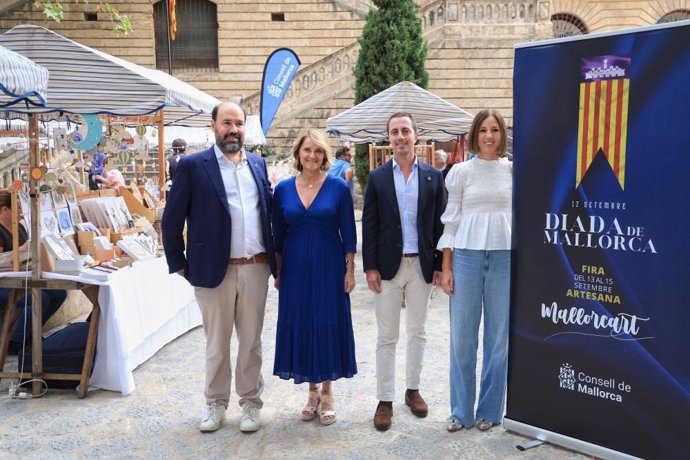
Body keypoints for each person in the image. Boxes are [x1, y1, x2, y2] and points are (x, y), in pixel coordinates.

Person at [161, 102, 277, 433]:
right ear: (213, 125)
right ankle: (215, 403)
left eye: (239, 124)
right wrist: (179, 263)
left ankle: (251, 404)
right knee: (217, 343)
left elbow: (267, 213)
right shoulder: (194, 166)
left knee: (252, 341)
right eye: (227, 123)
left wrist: (277, 262)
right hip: (214, 270)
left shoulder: (257, 164)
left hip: (256, 266)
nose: (233, 130)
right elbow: (172, 219)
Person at [362, 112, 447, 431]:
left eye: (405, 131)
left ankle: (413, 390)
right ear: (389, 138)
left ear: (416, 135)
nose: (400, 136)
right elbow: (369, 224)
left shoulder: (433, 176)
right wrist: (369, 265)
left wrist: (439, 264)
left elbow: (441, 224)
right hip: (387, 267)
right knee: (387, 337)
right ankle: (384, 399)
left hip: (421, 265)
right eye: (394, 132)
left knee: (418, 331)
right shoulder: (378, 177)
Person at [272, 129, 357, 426]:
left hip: (329, 265)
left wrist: (350, 269)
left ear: (324, 155)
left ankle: (328, 393)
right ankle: (311, 392)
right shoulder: (282, 189)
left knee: (327, 322)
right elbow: (277, 236)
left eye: (318, 151)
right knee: (304, 323)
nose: (312, 156)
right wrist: (278, 271)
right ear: (298, 153)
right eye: (307, 150)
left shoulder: (337, 188)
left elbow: (349, 233)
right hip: (294, 267)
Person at [438, 109, 512, 433]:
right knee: (462, 339)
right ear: (474, 134)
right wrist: (447, 266)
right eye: (483, 130)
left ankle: (491, 410)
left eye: (495, 130)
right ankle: (460, 412)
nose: (489, 136)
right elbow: (451, 221)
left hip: (504, 258)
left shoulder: (513, 171)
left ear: (502, 135)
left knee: (499, 339)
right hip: (466, 258)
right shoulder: (460, 172)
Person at [0, 190, 67, 355]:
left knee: (59, 293)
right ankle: (16, 341)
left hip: (23, 277)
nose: (21, 212)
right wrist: (20, 249)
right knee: (40, 296)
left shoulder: (20, 228)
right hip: (4, 284)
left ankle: (31, 335)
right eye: (16, 208)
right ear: (4, 210)